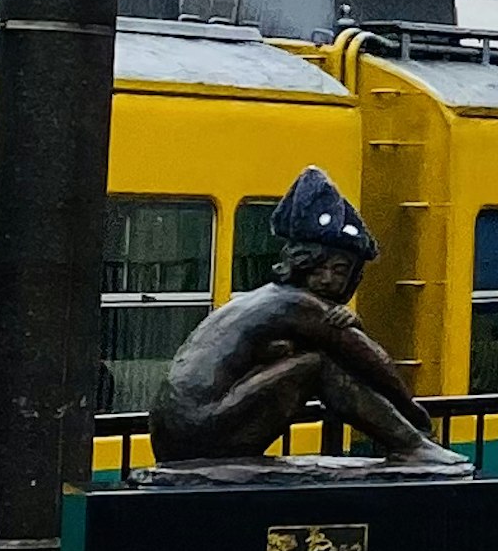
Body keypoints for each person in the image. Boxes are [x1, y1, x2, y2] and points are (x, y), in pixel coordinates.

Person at [152, 164, 465, 468]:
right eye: (317, 267)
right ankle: (411, 446)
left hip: (179, 431)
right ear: (299, 265)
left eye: (340, 270)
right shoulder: (295, 303)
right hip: (195, 428)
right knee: (319, 366)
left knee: (313, 359)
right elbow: (367, 358)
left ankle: (411, 445)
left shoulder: (271, 300)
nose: (328, 279)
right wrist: (411, 410)